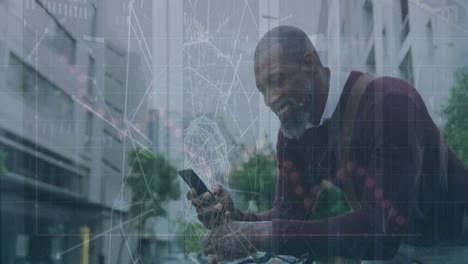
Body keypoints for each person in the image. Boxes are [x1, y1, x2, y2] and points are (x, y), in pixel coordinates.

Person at [187, 25, 468, 263]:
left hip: (459, 243)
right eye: (262, 90)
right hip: (405, 249)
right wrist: (235, 219)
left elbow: (381, 231)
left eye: (277, 81)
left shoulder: (390, 105)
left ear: (309, 64)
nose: (270, 100)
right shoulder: (294, 135)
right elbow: (288, 215)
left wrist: (258, 235)